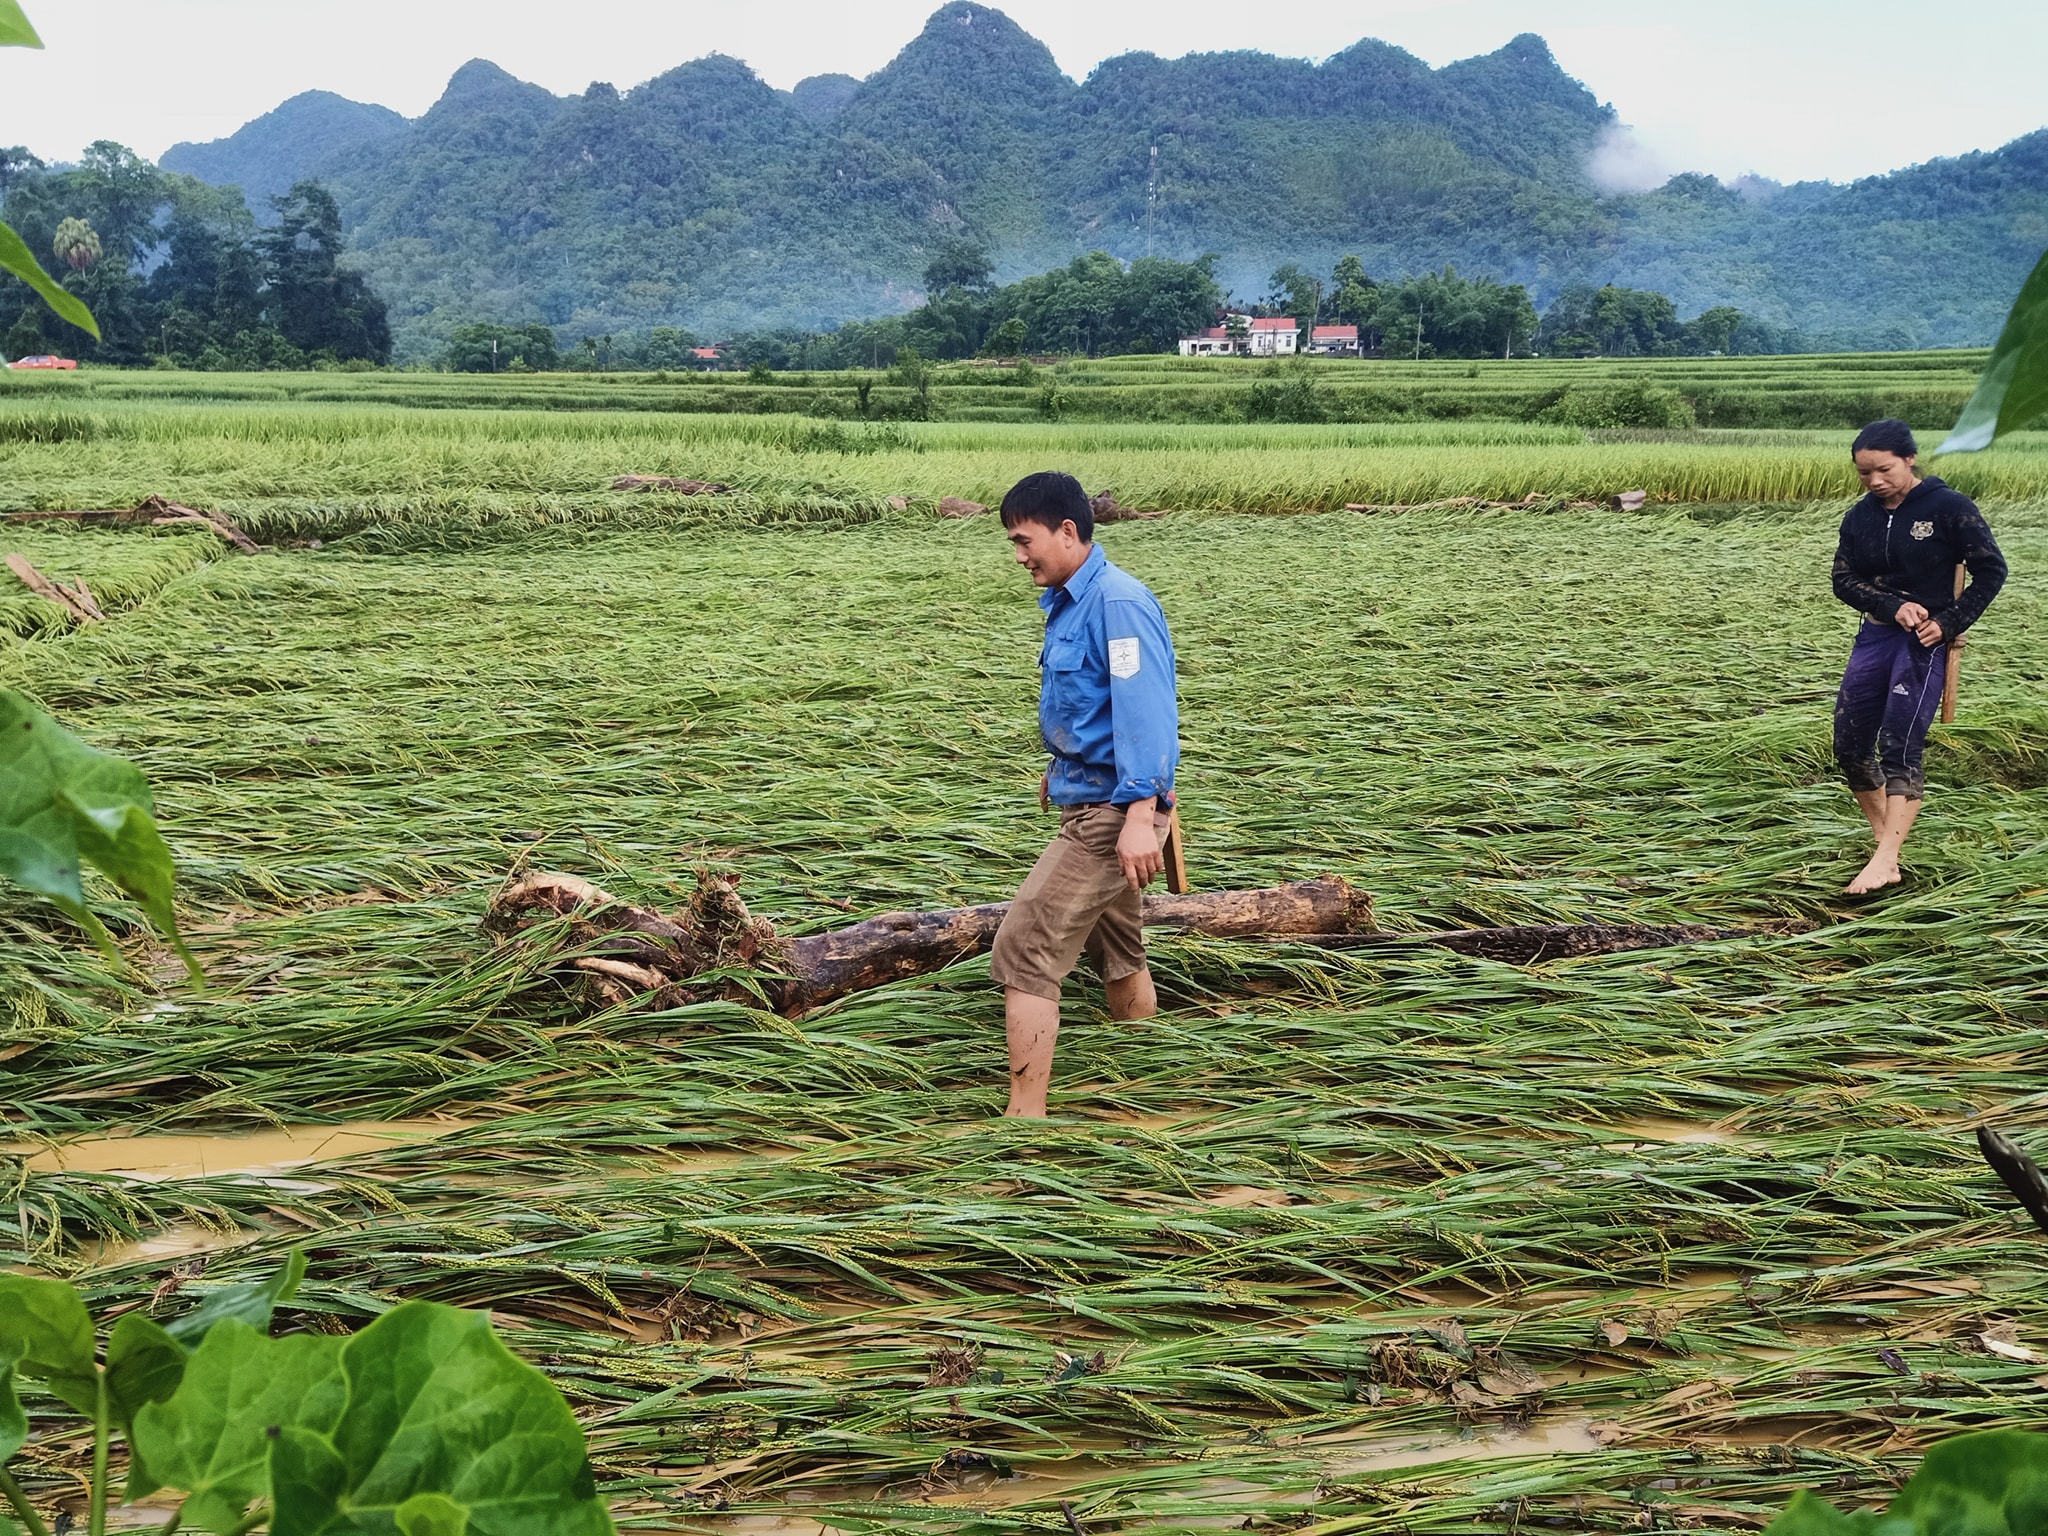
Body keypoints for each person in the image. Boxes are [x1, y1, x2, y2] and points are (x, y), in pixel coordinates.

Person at [987, 471, 1179, 1118]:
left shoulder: (1116, 605)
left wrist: (1141, 811)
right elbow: (1094, 707)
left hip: (1112, 816)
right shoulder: (1074, 601)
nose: (1019, 555)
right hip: (1092, 796)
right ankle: (1144, 1080)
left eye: (1024, 540)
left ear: (1067, 531)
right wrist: (1065, 767)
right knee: (1117, 948)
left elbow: (1144, 710)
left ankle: (1024, 1121)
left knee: (1023, 946)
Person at [1830, 419, 2006, 895]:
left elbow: (1991, 571)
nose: (1874, 481)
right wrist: (1889, 605)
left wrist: (1948, 623)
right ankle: (1886, 847)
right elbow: (1843, 580)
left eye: (1883, 470)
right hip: (1876, 636)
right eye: (1864, 473)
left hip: (1924, 643)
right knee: (1848, 746)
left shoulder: (1950, 509)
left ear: (1909, 458)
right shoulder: (1860, 517)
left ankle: (1886, 858)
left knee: (1900, 745)